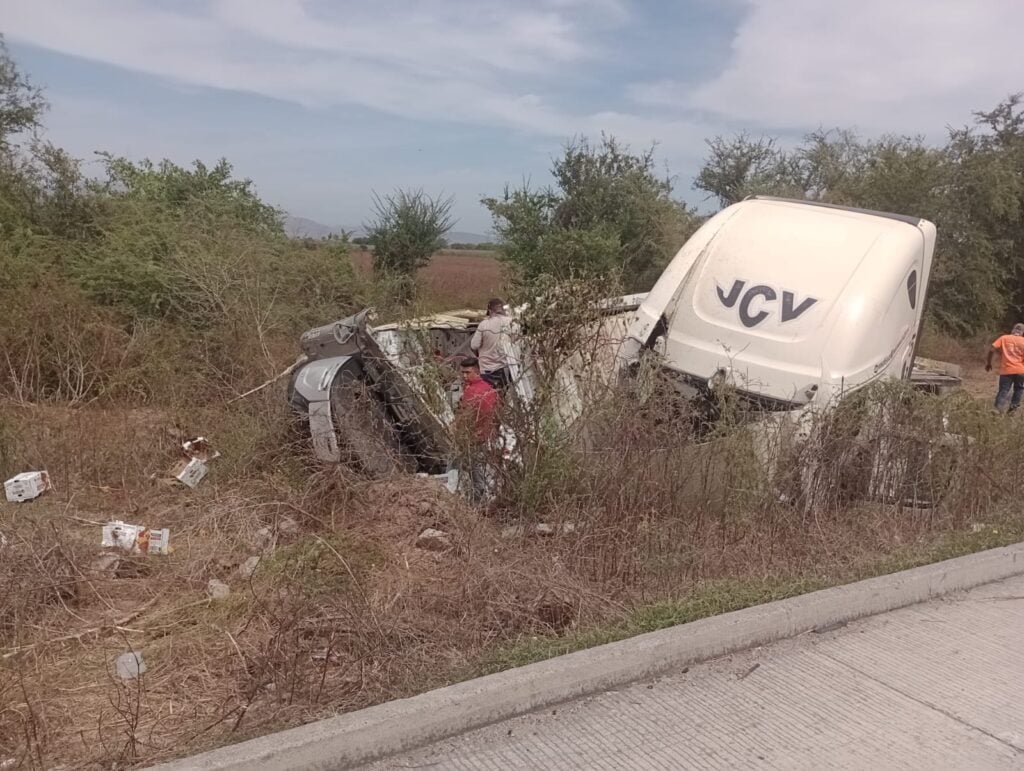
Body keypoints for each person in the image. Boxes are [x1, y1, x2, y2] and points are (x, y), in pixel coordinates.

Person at [455, 357, 499, 502]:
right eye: (463, 373)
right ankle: (486, 499)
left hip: (474, 437)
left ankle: (478, 503)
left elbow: (466, 416)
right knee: (484, 470)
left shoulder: (471, 391)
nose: (464, 376)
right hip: (488, 435)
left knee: (475, 471)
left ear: (477, 371)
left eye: (467, 373)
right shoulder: (489, 389)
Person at [471, 298, 514, 392]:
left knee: (489, 396)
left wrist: (479, 355)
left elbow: (474, 346)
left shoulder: (484, 324)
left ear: (490, 311)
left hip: (487, 369)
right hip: (508, 368)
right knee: (504, 396)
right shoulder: (513, 323)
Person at [986, 323, 1024, 412]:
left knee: (1004, 390)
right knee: (1018, 390)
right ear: (1022, 332)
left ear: (1013, 330)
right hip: (1021, 371)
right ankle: (1012, 412)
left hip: (1006, 370)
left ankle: (997, 411)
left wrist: (989, 363)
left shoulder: (1004, 338)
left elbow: (992, 349)